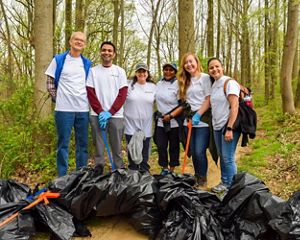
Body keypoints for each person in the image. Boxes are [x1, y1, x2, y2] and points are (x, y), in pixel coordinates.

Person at [45, 31, 92, 177]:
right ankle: (62, 177)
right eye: (76, 39)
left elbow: (91, 86)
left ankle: (81, 176)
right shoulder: (59, 60)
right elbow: (50, 82)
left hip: (83, 110)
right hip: (63, 110)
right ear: (70, 41)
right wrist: (58, 98)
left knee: (82, 145)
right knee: (63, 145)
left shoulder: (87, 63)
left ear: (84, 44)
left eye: (82, 41)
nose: (79, 42)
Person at [86, 41, 128, 174]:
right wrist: (100, 112)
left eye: (110, 50)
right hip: (96, 115)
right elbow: (90, 92)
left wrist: (110, 112)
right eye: (104, 50)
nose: (106, 53)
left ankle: (119, 171)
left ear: (114, 54)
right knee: (99, 146)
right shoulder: (93, 71)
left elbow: (122, 94)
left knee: (116, 146)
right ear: (100, 52)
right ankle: (99, 171)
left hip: (116, 116)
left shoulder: (120, 71)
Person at [177, 53, 211, 187]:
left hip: (202, 120)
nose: (189, 65)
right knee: (192, 151)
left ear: (197, 62)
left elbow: (208, 99)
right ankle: (197, 177)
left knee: (199, 151)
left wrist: (198, 114)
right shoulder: (185, 80)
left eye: (191, 62)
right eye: (186, 63)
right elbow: (183, 101)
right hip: (189, 121)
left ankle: (202, 178)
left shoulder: (205, 78)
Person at [208, 57, 241, 193]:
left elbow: (235, 106)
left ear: (222, 67)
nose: (214, 69)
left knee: (228, 158)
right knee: (222, 156)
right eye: (211, 68)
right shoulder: (214, 84)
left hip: (228, 126)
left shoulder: (229, 83)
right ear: (209, 71)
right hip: (217, 126)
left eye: (217, 66)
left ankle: (233, 189)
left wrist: (229, 128)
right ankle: (225, 182)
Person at [124, 63, 156, 172]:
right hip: (130, 125)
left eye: (144, 71)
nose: (141, 73)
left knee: (144, 151)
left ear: (147, 73)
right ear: (136, 73)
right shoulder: (128, 86)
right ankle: (133, 172)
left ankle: (144, 172)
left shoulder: (153, 87)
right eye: (139, 71)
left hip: (146, 125)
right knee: (132, 150)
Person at [155, 63, 180, 175]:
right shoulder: (158, 84)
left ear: (175, 72)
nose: (168, 72)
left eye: (171, 70)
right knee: (161, 145)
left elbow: (182, 105)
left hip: (174, 122)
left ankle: (172, 169)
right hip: (160, 121)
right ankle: (164, 168)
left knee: (174, 146)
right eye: (166, 69)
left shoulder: (178, 84)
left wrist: (171, 116)